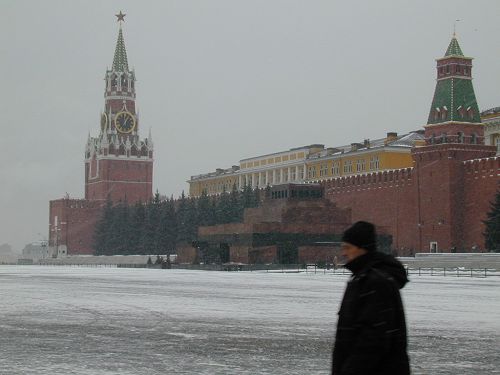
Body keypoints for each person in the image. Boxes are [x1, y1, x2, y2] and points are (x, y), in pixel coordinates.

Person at [332, 221, 410, 375]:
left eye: (348, 248)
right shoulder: (362, 278)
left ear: (362, 249)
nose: (344, 253)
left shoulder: (375, 282)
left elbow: (373, 340)